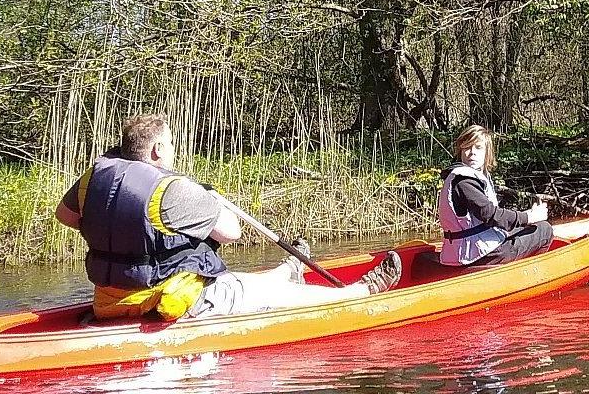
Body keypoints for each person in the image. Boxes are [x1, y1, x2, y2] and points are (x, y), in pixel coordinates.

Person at [54, 114, 402, 321]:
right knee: (243, 289)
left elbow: (66, 216)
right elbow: (230, 233)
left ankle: (287, 270)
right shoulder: (173, 189)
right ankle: (354, 294)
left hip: (110, 301)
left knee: (236, 280)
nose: (175, 150)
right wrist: (207, 201)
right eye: (172, 144)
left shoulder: (92, 178)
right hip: (170, 300)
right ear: (158, 149)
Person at [435, 125, 558, 267]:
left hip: (469, 249)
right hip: (480, 254)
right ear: (460, 151)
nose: (471, 153)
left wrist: (526, 217)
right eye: (467, 147)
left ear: (487, 152)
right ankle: (529, 276)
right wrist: (529, 217)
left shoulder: (468, 176)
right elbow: (489, 214)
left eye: (478, 147)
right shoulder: (464, 181)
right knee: (544, 229)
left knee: (529, 227)